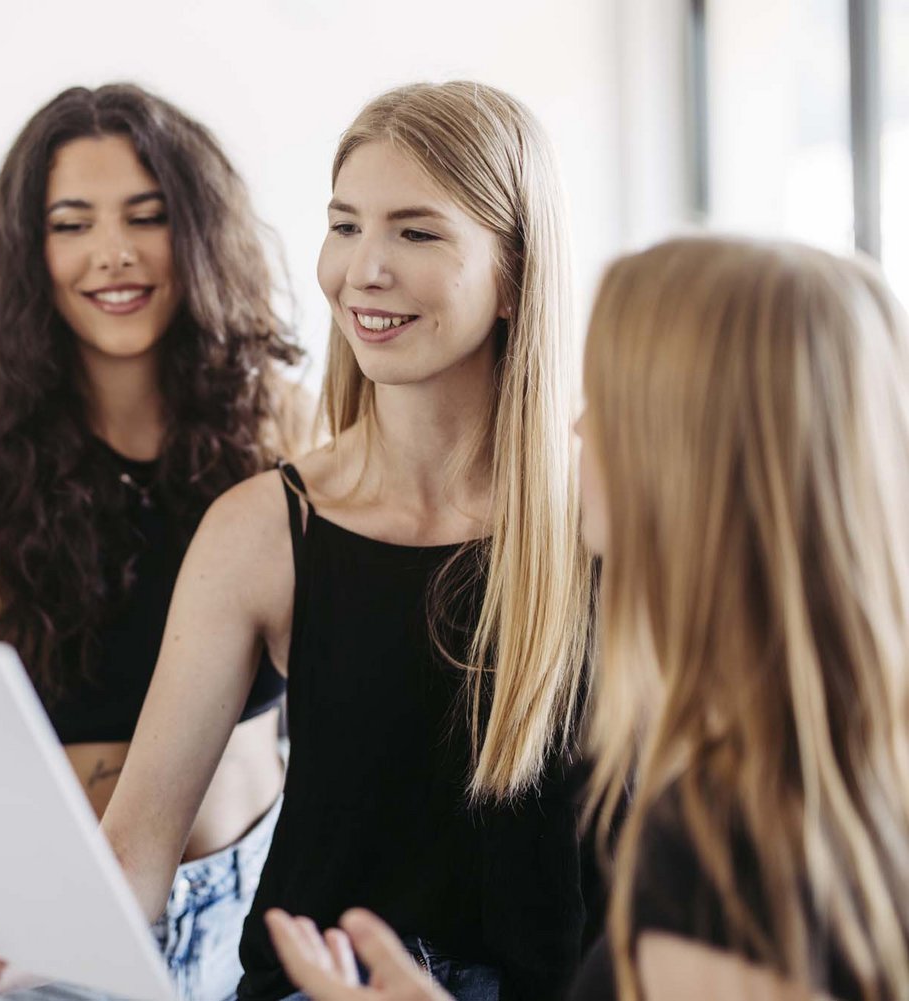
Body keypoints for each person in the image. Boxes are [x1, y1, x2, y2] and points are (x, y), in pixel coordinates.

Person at [266, 237, 909, 1001]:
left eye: (606, 400)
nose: (577, 429)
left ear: (693, 456)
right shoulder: (832, 773)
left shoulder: (728, 855)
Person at [94, 80, 599, 1001]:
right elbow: (134, 852)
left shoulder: (608, 520)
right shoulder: (262, 529)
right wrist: (4, 953)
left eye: (416, 231)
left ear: (517, 273)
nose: (364, 269)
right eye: (345, 225)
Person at [0, 83, 306, 1001]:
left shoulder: (283, 428)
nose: (113, 253)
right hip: (52, 923)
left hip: (261, 899)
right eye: (72, 223)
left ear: (201, 236)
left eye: (149, 216)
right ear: (31, 253)